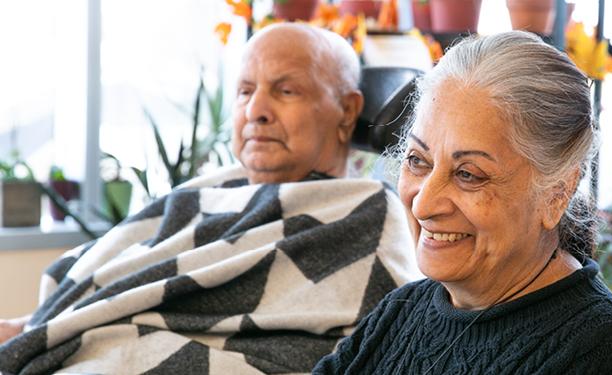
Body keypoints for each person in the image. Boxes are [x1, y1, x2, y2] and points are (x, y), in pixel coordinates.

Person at [0, 23, 420, 374]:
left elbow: (383, 343)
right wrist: (34, 329)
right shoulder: (209, 192)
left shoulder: (365, 215)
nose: (255, 110)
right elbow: (120, 281)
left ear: (347, 111)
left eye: (286, 91)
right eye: (244, 91)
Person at [313, 31, 612, 374]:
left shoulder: (602, 351)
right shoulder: (402, 311)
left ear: (557, 193)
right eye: (418, 160)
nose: (424, 205)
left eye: (468, 174)